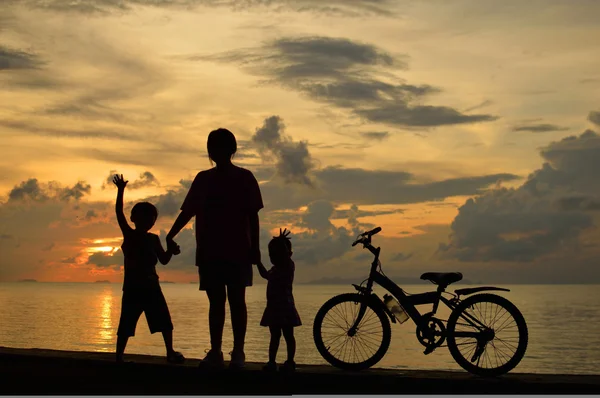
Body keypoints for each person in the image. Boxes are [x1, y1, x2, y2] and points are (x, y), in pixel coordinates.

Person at [166, 128, 263, 370]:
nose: (214, 151)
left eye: (218, 146)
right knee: (217, 302)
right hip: (210, 250)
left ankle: (238, 351)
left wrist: (256, 248)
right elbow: (187, 211)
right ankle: (217, 350)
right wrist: (170, 234)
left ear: (231, 149)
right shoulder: (203, 179)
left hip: (238, 248)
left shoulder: (245, 177)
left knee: (236, 301)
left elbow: (253, 216)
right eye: (212, 146)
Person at [112, 174, 185, 364]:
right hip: (133, 288)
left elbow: (164, 260)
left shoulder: (153, 239)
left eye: (152, 218)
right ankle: (119, 356)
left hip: (152, 286)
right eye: (146, 217)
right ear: (134, 218)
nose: (150, 221)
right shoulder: (129, 234)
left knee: (164, 322)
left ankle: (170, 352)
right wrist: (121, 191)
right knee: (126, 323)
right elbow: (119, 214)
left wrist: (171, 250)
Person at [256, 228, 301, 372]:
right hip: (274, 308)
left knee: (287, 336)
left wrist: (281, 242)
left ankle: (289, 361)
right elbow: (264, 274)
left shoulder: (288, 267)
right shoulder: (275, 270)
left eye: (276, 254)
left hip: (285, 307)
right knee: (275, 336)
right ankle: (272, 362)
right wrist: (258, 262)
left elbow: (285, 258)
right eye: (271, 255)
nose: (273, 257)